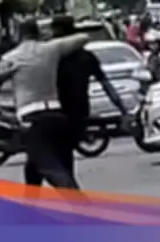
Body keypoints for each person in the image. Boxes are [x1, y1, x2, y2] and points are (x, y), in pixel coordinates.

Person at [0, 18, 89, 192]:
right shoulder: (51, 49)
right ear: (39, 33)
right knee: (34, 168)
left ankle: (81, 204)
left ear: (18, 34)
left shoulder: (11, 58)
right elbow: (83, 38)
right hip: (56, 116)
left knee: (51, 169)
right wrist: (51, 40)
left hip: (31, 119)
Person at [51, 15, 131, 181]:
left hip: (55, 111)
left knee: (54, 158)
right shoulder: (86, 57)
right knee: (64, 156)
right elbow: (106, 84)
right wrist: (121, 108)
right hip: (78, 112)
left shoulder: (52, 58)